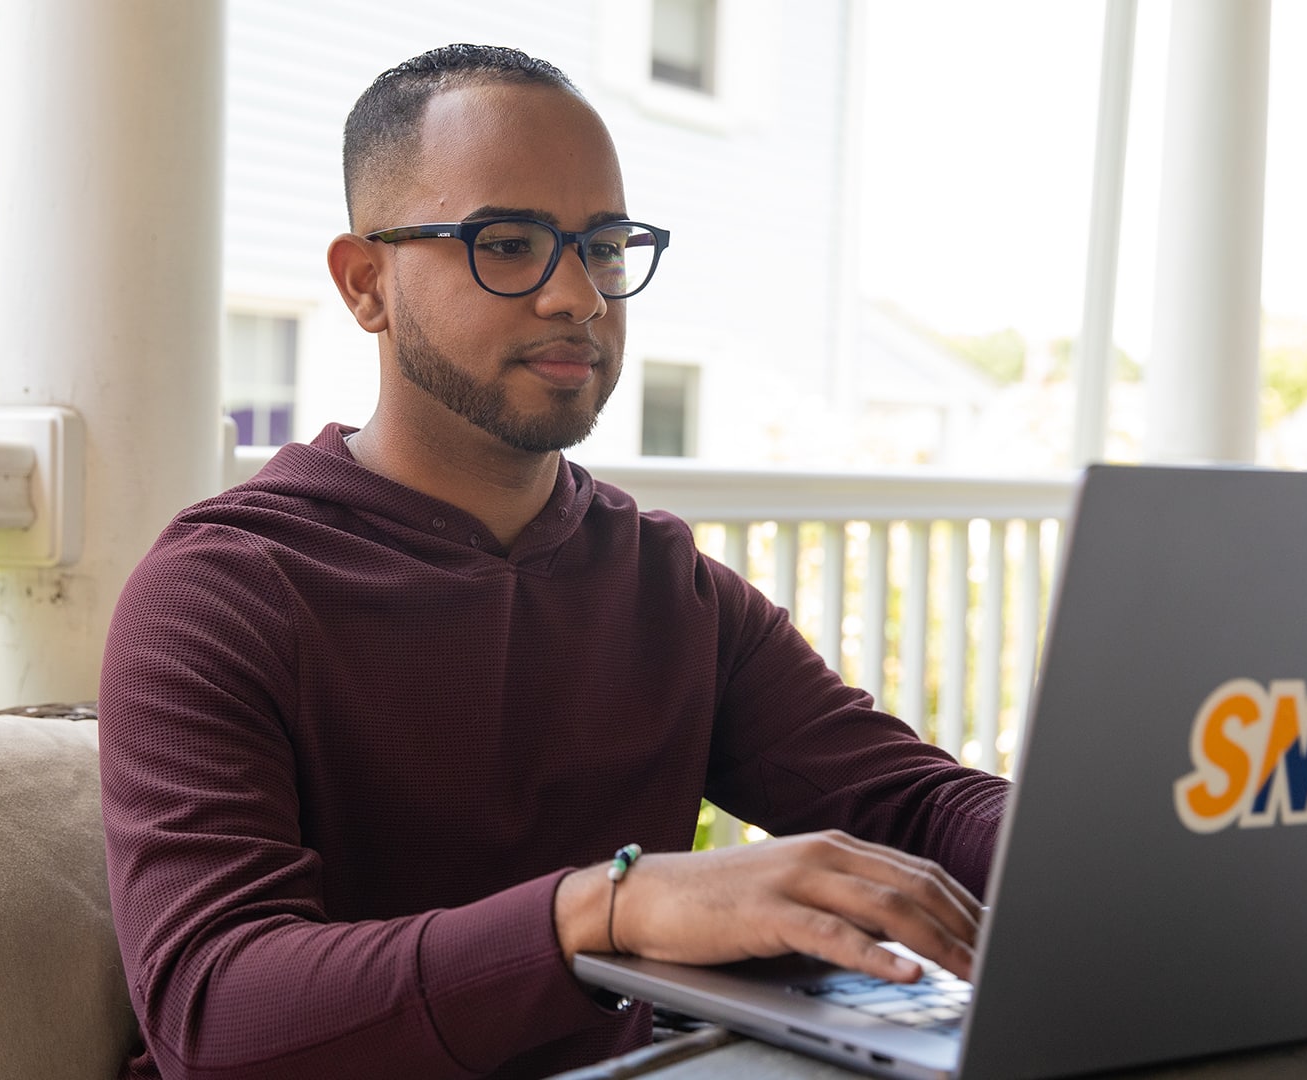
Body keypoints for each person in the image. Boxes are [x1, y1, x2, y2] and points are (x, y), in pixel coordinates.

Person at [99, 44, 1010, 1080]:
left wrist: (1153, 836)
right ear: (366, 285)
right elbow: (214, 1017)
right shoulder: (219, 594)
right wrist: (608, 907)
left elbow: (917, 807)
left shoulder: (669, 588)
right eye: (510, 241)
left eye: (605, 245)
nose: (577, 295)